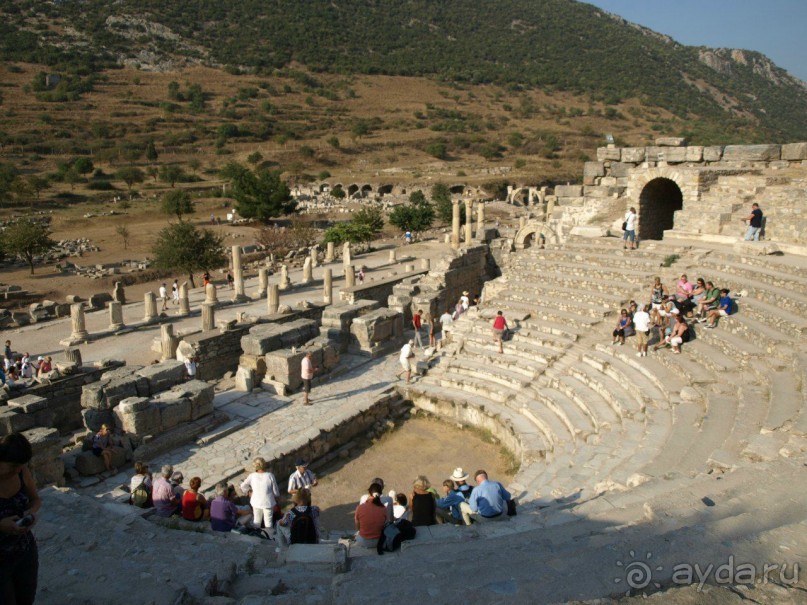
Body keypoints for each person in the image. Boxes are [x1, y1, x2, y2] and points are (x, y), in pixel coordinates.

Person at [0, 433, 42, 605]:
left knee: (26, 599)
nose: (16, 470)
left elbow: (35, 500)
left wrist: (30, 513)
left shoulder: (21, 472)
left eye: (20, 466)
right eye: (12, 465)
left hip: (24, 551)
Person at [240, 457, 280, 533]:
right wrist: (276, 497)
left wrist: (249, 491)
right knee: (268, 522)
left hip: (256, 501)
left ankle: (256, 535)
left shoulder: (252, 476)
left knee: (256, 521)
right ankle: (270, 537)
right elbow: (275, 490)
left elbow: (243, 485)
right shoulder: (270, 475)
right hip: (267, 502)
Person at [354, 483, 388, 548]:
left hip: (363, 541)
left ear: (369, 493)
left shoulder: (360, 507)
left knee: (356, 535)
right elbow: (386, 524)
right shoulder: (383, 508)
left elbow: (358, 527)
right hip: (379, 541)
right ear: (380, 495)